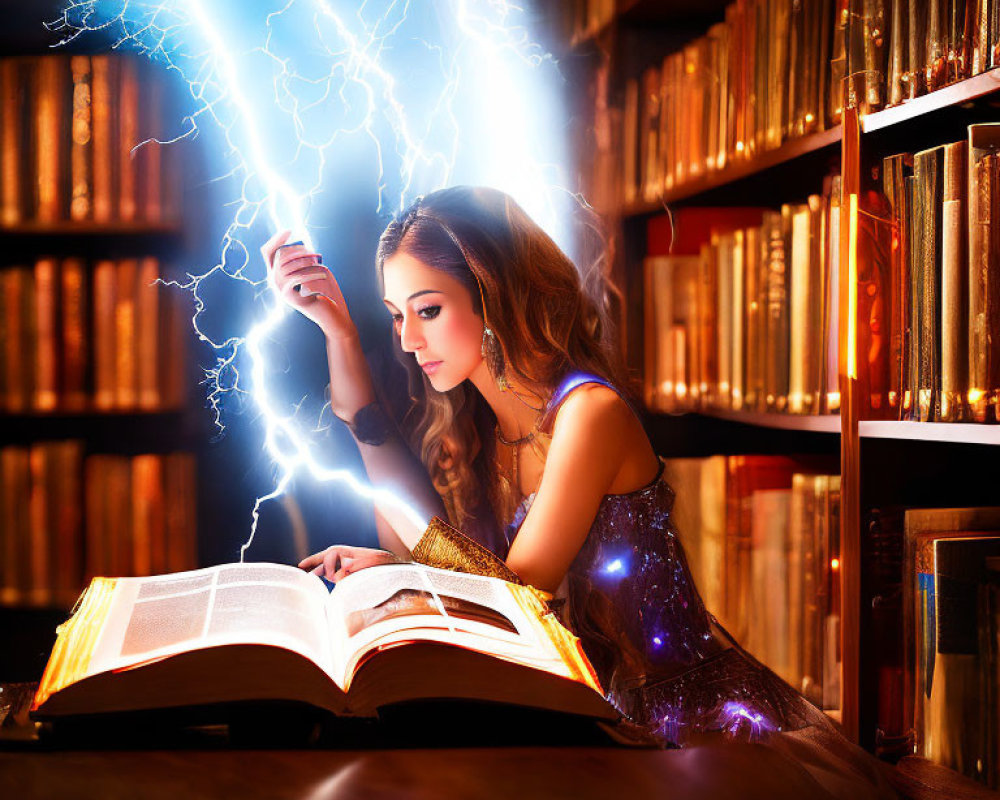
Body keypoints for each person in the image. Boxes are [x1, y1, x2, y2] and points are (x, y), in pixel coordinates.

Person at [261, 186, 896, 798]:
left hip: (683, 729)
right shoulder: (479, 432)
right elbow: (413, 527)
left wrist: (399, 572)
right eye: (396, 316)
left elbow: (518, 597)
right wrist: (338, 333)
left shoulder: (589, 414)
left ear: (496, 295)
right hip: (582, 715)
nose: (407, 340)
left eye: (428, 310)